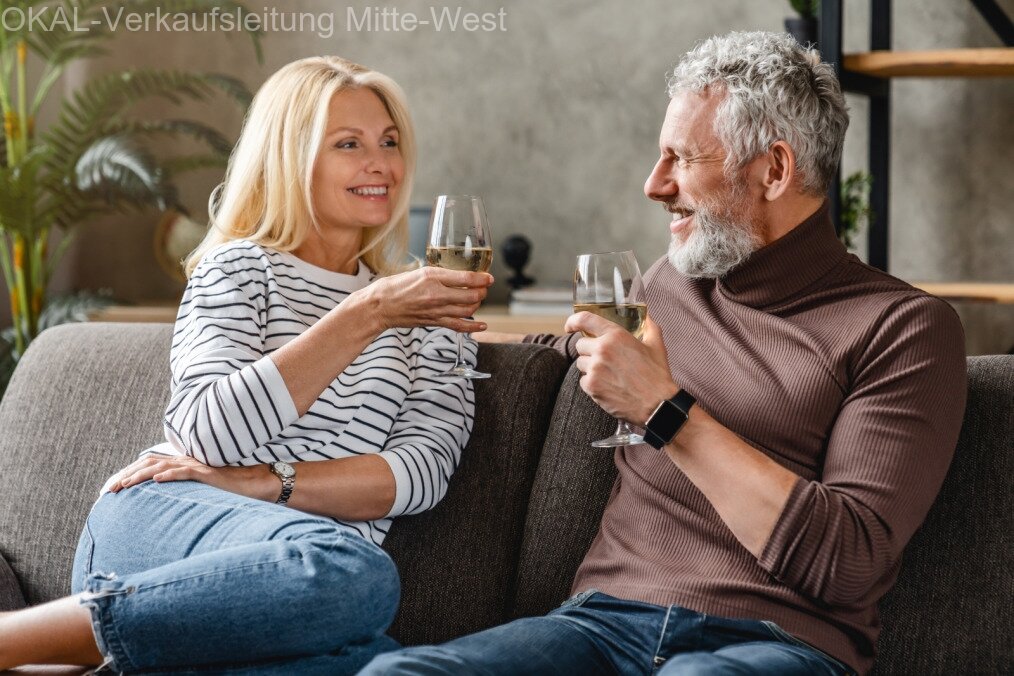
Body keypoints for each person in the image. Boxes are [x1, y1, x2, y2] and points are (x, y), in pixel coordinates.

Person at [363, 31, 967, 676]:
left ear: (774, 170)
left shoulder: (901, 328)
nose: (654, 185)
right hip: (601, 626)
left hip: (778, 643)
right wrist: (400, 327)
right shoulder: (669, 285)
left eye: (682, 158)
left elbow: (848, 562)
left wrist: (664, 411)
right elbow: (568, 349)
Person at [0, 56, 493, 674]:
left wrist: (265, 483)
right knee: (354, 572)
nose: (380, 164)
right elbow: (207, 437)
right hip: (166, 518)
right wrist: (365, 313)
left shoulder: (430, 314)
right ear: (290, 157)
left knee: (382, 663)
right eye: (349, 144)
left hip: (296, 583)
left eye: (389, 142)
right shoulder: (237, 271)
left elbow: (421, 475)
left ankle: (109, 659)